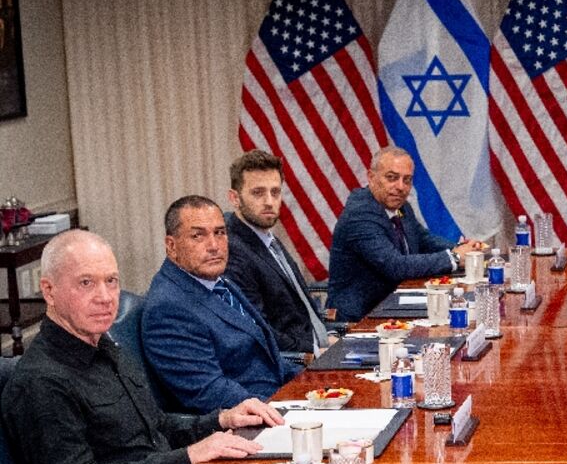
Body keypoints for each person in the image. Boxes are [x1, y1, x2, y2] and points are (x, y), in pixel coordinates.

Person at [0, 231, 281, 464]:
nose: (105, 297)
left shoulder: (104, 347)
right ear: (49, 291)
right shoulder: (41, 380)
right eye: (86, 283)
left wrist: (221, 419)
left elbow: (155, 428)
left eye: (111, 281)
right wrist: (187, 457)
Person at [142, 196, 298, 414]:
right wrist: (287, 409)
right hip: (247, 423)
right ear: (171, 246)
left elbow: (265, 356)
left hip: (277, 398)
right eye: (198, 236)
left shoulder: (217, 282)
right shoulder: (168, 308)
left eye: (220, 233)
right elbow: (208, 391)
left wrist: (309, 383)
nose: (214, 246)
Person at [327, 146, 485, 321]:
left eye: (407, 180)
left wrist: (461, 249)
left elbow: (423, 239)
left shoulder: (399, 206)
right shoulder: (360, 214)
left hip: (395, 304)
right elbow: (395, 266)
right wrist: (453, 258)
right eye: (392, 178)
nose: (400, 187)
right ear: (371, 177)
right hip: (361, 317)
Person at [223, 150, 329, 355]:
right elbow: (259, 332)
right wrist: (316, 349)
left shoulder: (266, 235)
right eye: (258, 193)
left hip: (319, 340)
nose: (269, 202)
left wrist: (327, 340)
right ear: (234, 198)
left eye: (275, 192)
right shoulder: (233, 250)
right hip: (298, 360)